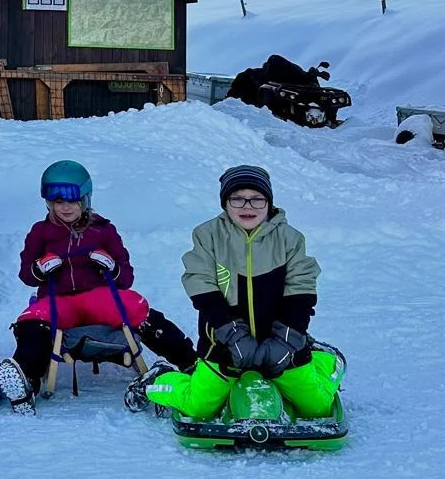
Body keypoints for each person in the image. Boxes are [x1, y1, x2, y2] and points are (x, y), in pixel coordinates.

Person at [0, 161, 199, 414]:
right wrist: (39, 268)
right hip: (59, 300)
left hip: (98, 297)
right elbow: (26, 275)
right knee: (31, 320)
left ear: (85, 199)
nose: (66, 207)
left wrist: (112, 266)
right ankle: (27, 379)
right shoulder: (40, 233)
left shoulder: (102, 230)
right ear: (48, 203)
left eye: (72, 200)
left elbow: (126, 278)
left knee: (135, 306)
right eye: (58, 201)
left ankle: (191, 363)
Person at [145, 165, 341, 420]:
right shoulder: (208, 236)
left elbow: (301, 288)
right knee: (198, 407)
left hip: (281, 346)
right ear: (225, 203)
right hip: (224, 346)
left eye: (257, 199)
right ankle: (160, 378)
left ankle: (323, 360)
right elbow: (200, 284)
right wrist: (232, 334)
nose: (247, 206)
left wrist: (287, 339)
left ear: (269, 203)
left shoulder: (290, 239)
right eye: (237, 198)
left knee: (317, 407)